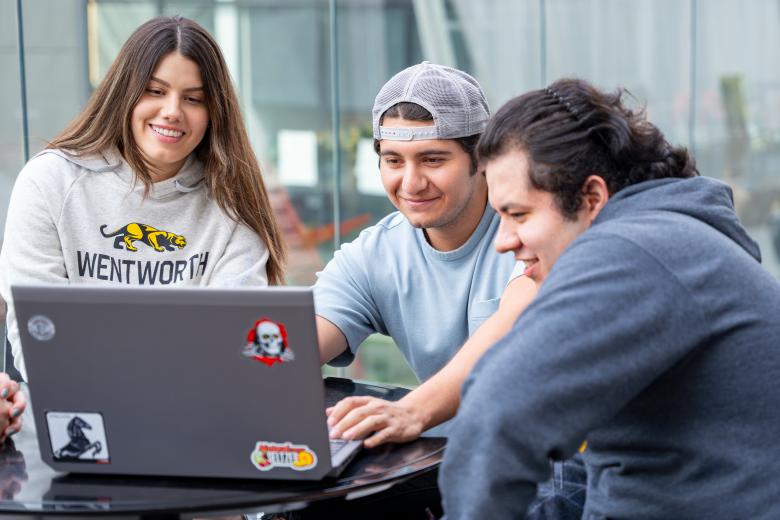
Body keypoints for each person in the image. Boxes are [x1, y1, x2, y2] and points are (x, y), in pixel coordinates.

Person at [440, 78, 780, 518]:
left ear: (592, 197)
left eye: (518, 214)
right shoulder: (671, 240)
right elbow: (601, 465)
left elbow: (495, 414)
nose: (504, 241)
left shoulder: (634, 250)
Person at [310, 63, 586, 520]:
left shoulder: (524, 224)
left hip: (552, 468)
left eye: (433, 160)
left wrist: (413, 411)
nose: (411, 183)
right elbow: (294, 342)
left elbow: (515, 324)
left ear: (481, 158)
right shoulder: (377, 252)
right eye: (393, 161)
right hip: (447, 468)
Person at [0, 15, 285, 383]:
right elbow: (37, 337)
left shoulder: (232, 202)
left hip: (193, 408)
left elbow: (230, 346)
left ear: (214, 113)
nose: (172, 111)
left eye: (193, 98)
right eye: (155, 91)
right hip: (74, 403)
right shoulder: (50, 181)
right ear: (125, 93)